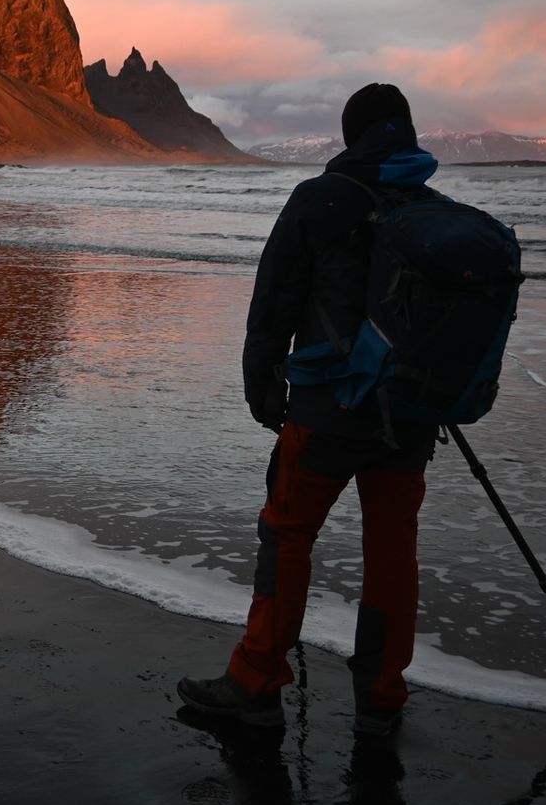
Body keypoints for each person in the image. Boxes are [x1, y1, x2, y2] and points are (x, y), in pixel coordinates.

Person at [178, 82, 439, 737]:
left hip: (328, 410)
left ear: (350, 135)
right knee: (392, 551)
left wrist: (262, 390)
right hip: (408, 416)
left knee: (288, 535)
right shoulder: (430, 207)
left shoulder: (320, 200)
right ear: (405, 130)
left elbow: (274, 304)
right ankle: (382, 696)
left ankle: (256, 680)